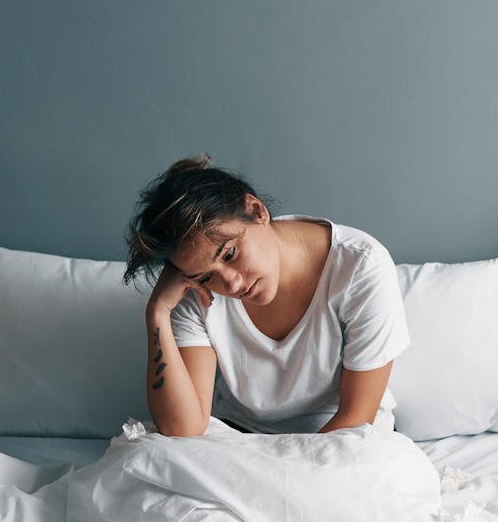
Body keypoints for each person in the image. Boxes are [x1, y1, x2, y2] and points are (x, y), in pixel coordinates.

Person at [123, 155, 410, 437]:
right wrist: (158, 312)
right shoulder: (195, 288)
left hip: (344, 439)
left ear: (256, 210)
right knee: (148, 457)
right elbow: (182, 429)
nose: (231, 283)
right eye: (207, 276)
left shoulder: (360, 266)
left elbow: (355, 418)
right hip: (243, 437)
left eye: (230, 254)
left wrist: (284, 468)